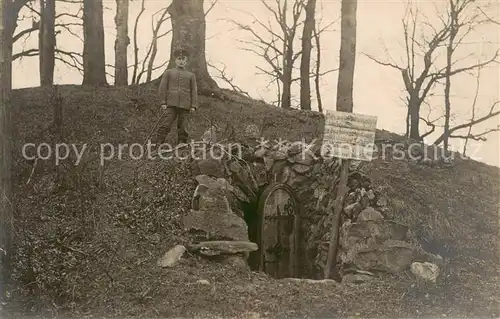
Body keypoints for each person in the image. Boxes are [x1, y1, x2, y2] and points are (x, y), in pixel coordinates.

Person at [154, 48, 198, 145]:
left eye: (183, 59)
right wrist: (163, 102)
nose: (181, 61)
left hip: (185, 105)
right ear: (175, 60)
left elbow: (194, 91)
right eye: (179, 59)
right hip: (171, 104)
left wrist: (193, 105)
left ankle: (181, 146)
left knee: (183, 127)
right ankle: (156, 145)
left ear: (186, 61)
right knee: (165, 125)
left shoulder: (191, 75)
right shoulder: (168, 72)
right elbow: (162, 88)